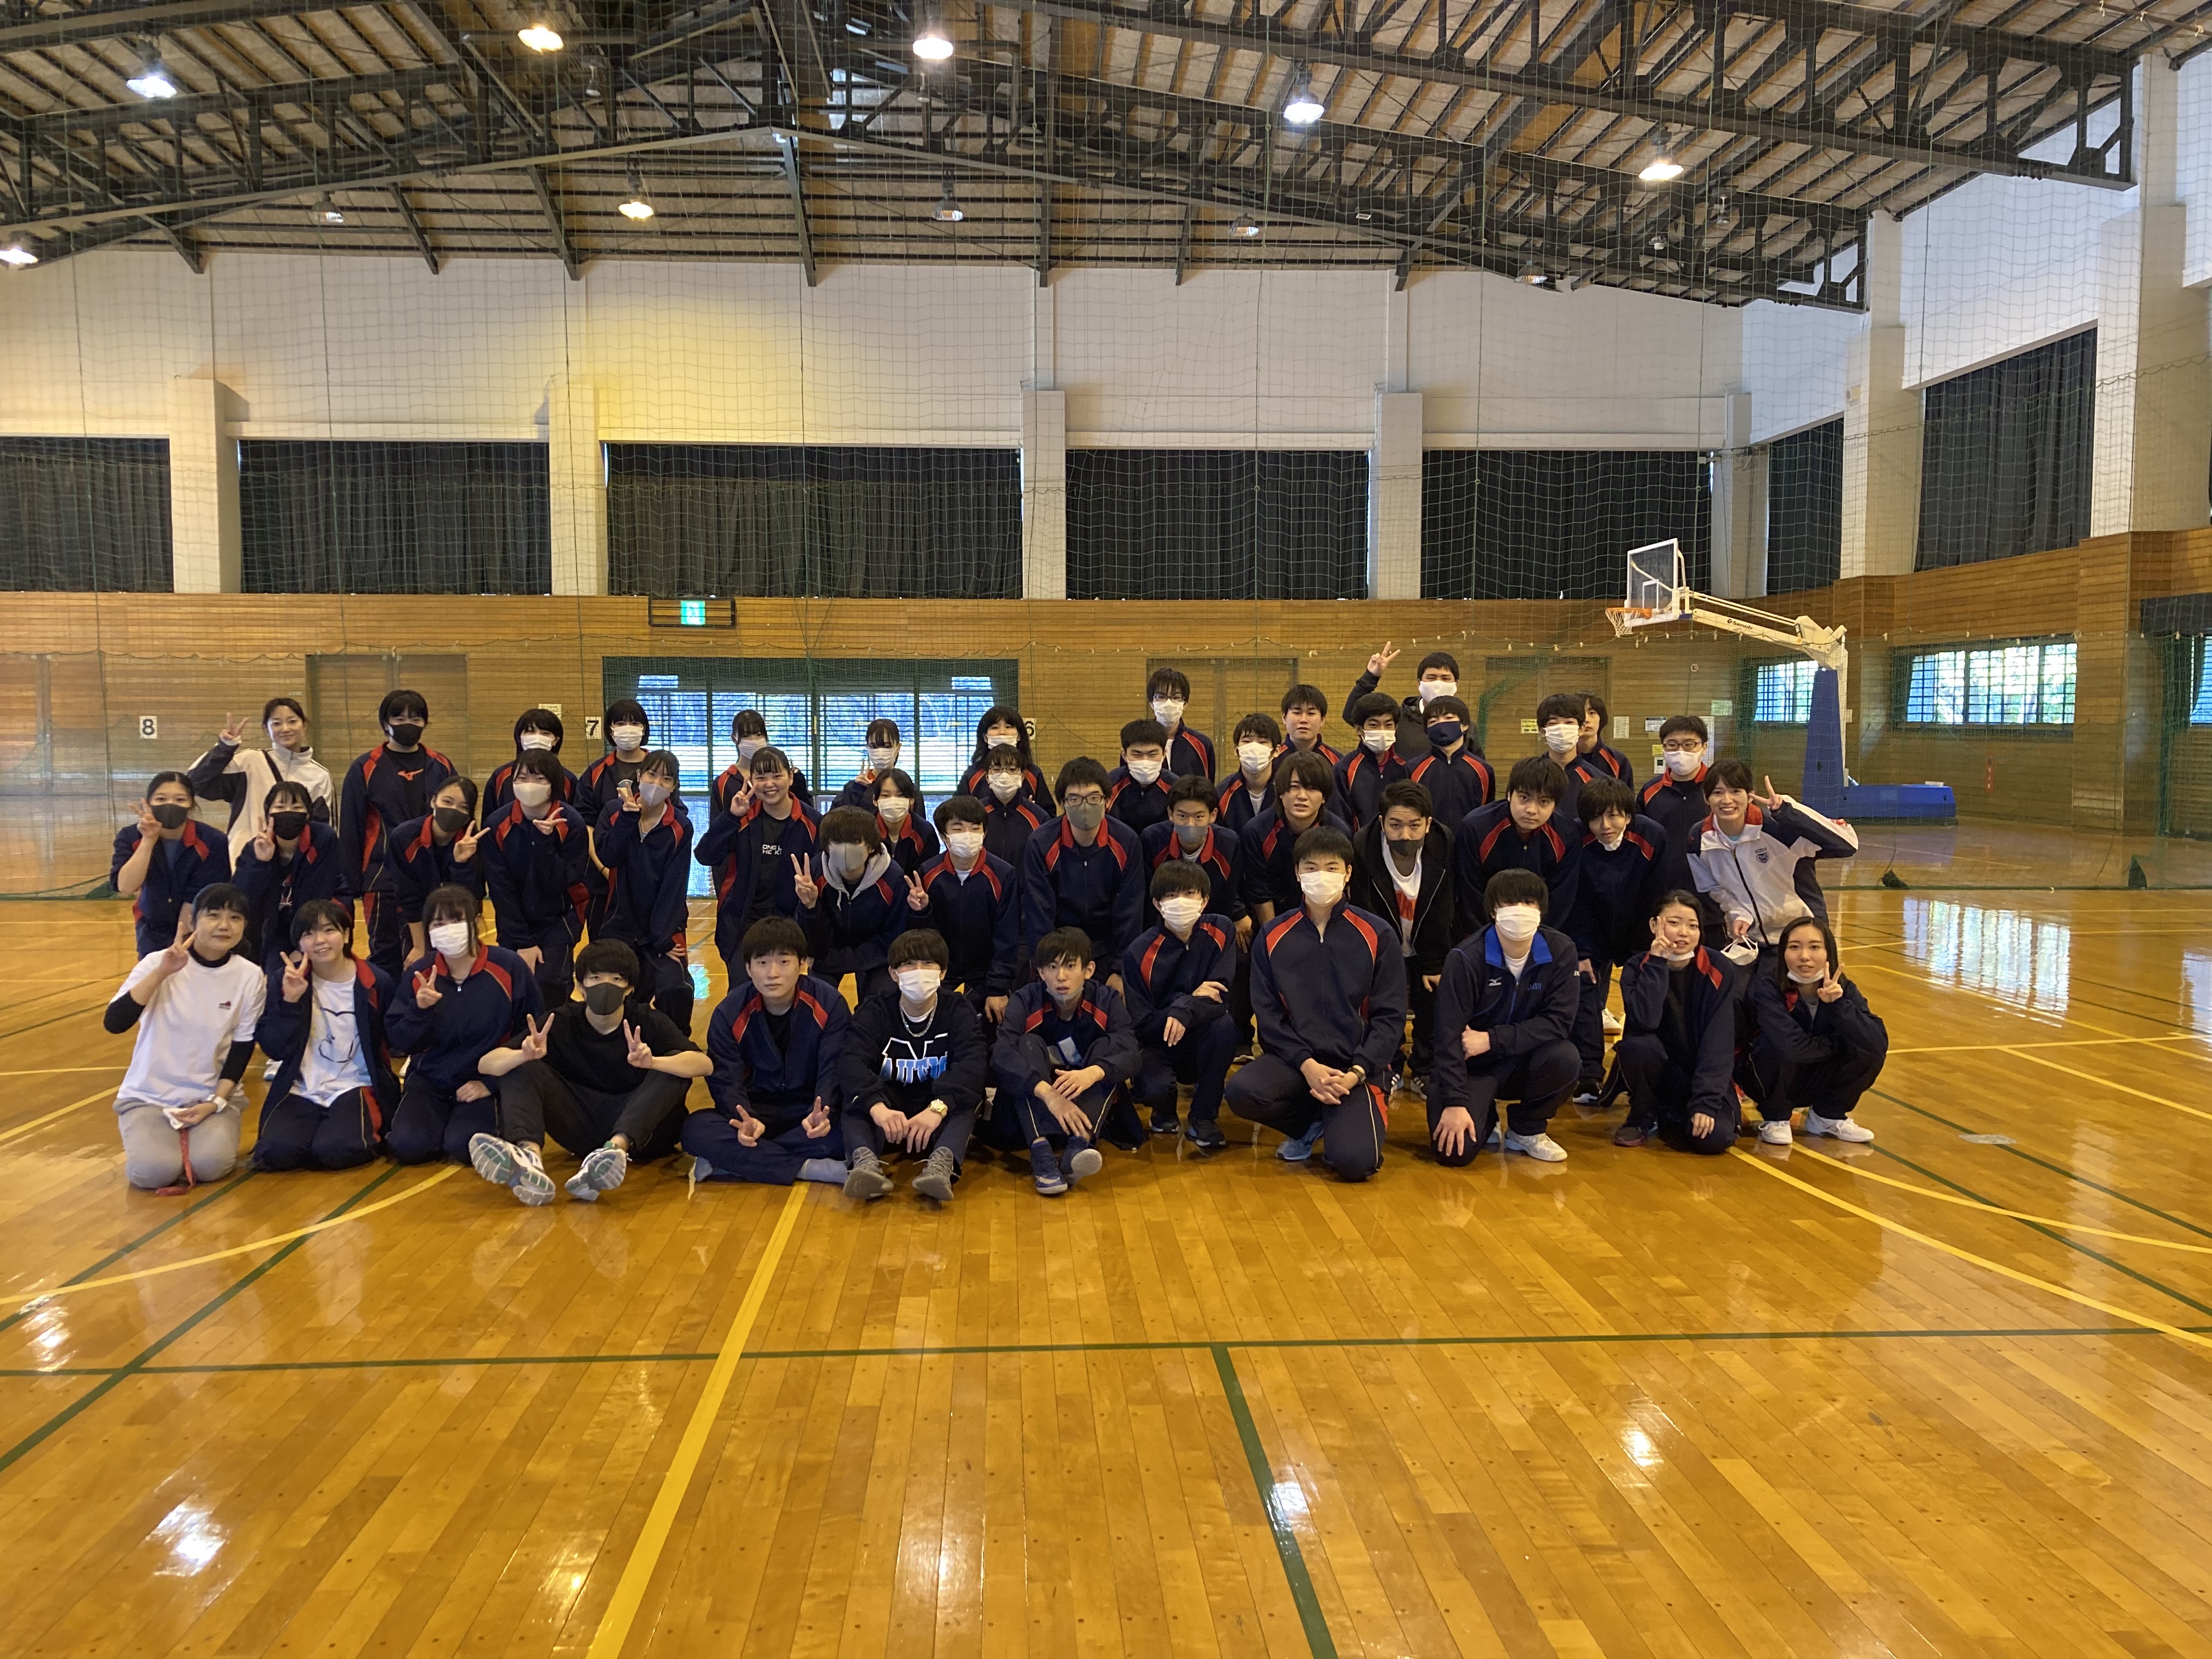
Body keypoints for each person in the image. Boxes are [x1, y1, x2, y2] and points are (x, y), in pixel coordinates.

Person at [467, 939, 711, 1204]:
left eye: (616, 979)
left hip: (643, 1134)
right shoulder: (560, 1021)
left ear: (630, 988)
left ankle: (613, 1151)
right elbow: (486, 1064)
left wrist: (653, 1062)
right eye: (595, 978)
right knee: (517, 1064)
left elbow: (704, 1064)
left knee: (674, 1066)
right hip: (581, 1128)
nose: (605, 986)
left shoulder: (646, 1020)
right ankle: (529, 1158)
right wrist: (522, 1055)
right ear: (581, 987)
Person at [1225, 826, 1406, 1180]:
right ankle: (1309, 1123)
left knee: (1355, 1163)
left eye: (1331, 868)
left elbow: (1390, 1016)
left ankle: (1343, 1119)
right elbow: (1269, 1017)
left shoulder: (1378, 934)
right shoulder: (1273, 935)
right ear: (1297, 873)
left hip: (1355, 1068)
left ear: (1348, 873)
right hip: (1298, 1064)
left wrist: (1358, 1071)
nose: (1321, 876)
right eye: (1311, 868)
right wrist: (1307, 1064)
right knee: (1243, 1092)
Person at [104, 883, 264, 1192]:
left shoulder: (250, 975)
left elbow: (243, 1047)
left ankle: (197, 1138)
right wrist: (162, 973)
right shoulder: (157, 962)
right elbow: (115, 1023)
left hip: (211, 1097)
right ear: (193, 921)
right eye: (213, 915)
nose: (224, 925)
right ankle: (160, 1143)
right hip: (149, 1097)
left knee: (212, 1165)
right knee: (153, 1173)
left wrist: (216, 1101)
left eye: (235, 918)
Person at [680, 917, 848, 1187]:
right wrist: (743, 1118)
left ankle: (735, 1162)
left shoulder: (829, 1003)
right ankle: (805, 1168)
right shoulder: (729, 1012)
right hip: (757, 1112)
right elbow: (725, 1079)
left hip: (807, 1113)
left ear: (802, 965)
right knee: (695, 1129)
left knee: (859, 1127)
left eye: (784, 961)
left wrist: (823, 1112)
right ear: (748, 968)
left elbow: (833, 1068)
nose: (772, 973)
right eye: (762, 963)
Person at [1428, 870, 1580, 1164]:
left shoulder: (1561, 950)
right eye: (1510, 903)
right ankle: (1486, 1116)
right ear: (1493, 911)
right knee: (1455, 1153)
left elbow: (1559, 1022)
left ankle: (1526, 1128)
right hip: (1473, 1066)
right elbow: (1448, 1035)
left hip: (1524, 1059)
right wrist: (1455, 1102)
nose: (1520, 910)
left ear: (1541, 910)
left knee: (1565, 1058)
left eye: (1529, 903)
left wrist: (1492, 1040)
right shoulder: (1465, 957)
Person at [385, 884, 543, 1165]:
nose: (448, 929)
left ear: (476, 922)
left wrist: (491, 1083)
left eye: (457, 920)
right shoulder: (420, 974)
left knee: (464, 1145)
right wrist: (419, 1011)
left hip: (483, 1079)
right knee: (408, 1145)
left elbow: (531, 1031)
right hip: (430, 1080)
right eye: (438, 923)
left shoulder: (508, 966)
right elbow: (400, 1039)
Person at [839, 929, 990, 1203]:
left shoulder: (959, 1009)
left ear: (943, 973)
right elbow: (852, 1061)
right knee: (855, 1100)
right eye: (908, 964)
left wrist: (938, 1108)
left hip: (936, 1105)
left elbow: (973, 1064)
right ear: (893, 973)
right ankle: (864, 1164)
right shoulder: (875, 1009)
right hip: (889, 1107)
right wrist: (876, 1107)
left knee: (967, 1100)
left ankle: (942, 1166)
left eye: (928, 963)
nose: (918, 971)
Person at [991, 927, 1138, 1194]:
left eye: (1070, 966)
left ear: (1089, 970)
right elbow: (1001, 1054)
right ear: (1040, 972)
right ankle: (1042, 1154)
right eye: (1052, 967)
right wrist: (1048, 1094)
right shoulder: (1025, 999)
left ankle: (1077, 1149)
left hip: (1085, 1104)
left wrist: (1093, 1073)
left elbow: (1131, 1053)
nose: (1061, 976)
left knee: (1108, 1050)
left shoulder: (1106, 999)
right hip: (1035, 1109)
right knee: (1025, 1045)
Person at [252, 899, 396, 1172]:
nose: (320, 940)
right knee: (275, 1153)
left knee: (337, 1151)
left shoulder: (376, 981)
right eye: (309, 934)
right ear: (299, 944)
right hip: (302, 1086)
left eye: (329, 930)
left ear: (347, 935)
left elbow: (394, 1039)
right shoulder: (285, 980)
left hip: (356, 1085)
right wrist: (290, 1002)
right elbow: (274, 1048)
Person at [1736, 915, 1886, 1146]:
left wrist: (1839, 1006)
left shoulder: (1843, 987)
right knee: (1773, 1045)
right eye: (1794, 947)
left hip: (1815, 1077)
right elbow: (1792, 1047)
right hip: (1767, 1078)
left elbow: (1877, 1043)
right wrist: (1837, 1045)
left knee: (1864, 1044)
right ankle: (1776, 1116)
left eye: (1814, 947)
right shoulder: (1768, 987)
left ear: (1828, 953)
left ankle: (1828, 1116)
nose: (1804, 956)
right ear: (1783, 953)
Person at [340, 689, 456, 980]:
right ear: (386, 722)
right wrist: (352, 885)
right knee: (386, 956)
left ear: (425, 723)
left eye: (416, 719)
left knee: (435, 955)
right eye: (399, 718)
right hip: (382, 880)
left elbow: (456, 818)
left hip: (430, 876)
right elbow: (351, 828)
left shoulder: (441, 766)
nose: (408, 724)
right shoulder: (364, 768)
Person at [1612, 891, 1742, 1153]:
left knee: (1714, 1139)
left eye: (1693, 926)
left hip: (1699, 1076)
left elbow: (1718, 1040)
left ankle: (1676, 1114)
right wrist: (1657, 962)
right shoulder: (1637, 967)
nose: (1684, 933)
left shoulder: (1719, 967)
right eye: (1674, 923)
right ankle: (1642, 1116)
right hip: (1658, 1070)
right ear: (1654, 925)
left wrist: (1706, 1102)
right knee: (1638, 1046)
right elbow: (1645, 1021)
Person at [1348, 780, 1454, 1095]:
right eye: (1395, 825)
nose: (1405, 835)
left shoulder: (1444, 844)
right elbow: (1363, 908)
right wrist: (1379, 958)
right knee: (1384, 1005)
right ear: (1383, 823)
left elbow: (1446, 905)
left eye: (1414, 826)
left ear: (1428, 824)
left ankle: (1425, 1067)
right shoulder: (1363, 846)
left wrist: (1435, 961)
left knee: (1432, 1003)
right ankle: (1389, 1065)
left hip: (1428, 943)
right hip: (1385, 943)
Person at [1564, 777, 1666, 1103]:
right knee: (1585, 992)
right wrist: (1581, 950)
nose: (1605, 826)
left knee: (1644, 998)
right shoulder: (1574, 838)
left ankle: (1634, 1072)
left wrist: (1648, 946)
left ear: (1629, 815)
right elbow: (1574, 899)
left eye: (1613, 816)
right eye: (1595, 818)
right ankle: (1589, 1075)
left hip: (1639, 929)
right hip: (1591, 929)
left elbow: (1657, 894)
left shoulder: (1652, 837)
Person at [1122, 862, 1239, 1148]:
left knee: (1225, 1028)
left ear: (1204, 900)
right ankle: (1163, 1110)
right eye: (1172, 896)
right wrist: (1183, 1006)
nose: (1181, 902)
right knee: (1154, 1086)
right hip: (1159, 1043)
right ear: (1157, 904)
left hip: (1202, 1037)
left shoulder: (1221, 930)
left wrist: (1184, 1008)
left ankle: (1203, 1117)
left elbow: (1221, 998)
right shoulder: (1138, 952)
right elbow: (1141, 1024)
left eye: (1189, 894)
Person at [1690, 763, 1859, 959]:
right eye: (1718, 793)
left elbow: (1847, 845)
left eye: (1736, 791)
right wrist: (1739, 913)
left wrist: (1789, 812)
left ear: (1751, 795)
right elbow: (1714, 888)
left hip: (1802, 939)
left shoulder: (1780, 829)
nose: (1727, 800)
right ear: (1706, 798)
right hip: (1749, 941)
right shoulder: (1698, 839)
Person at [594, 749, 697, 1030]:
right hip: (619, 924)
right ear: (639, 776)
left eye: (666, 779)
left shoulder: (681, 827)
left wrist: (663, 940)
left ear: (673, 787)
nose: (657, 783)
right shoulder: (614, 812)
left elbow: (674, 887)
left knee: (675, 988)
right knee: (615, 992)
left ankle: (675, 1046)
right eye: (652, 774)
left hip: (663, 930)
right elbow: (609, 857)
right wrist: (627, 820)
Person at [1020, 758, 1144, 988]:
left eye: (1094, 798)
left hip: (1107, 952)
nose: (1085, 806)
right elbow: (1039, 913)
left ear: (1107, 800)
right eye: (1074, 799)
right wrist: (1051, 967)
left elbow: (1130, 912)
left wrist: (1119, 970)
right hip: (1059, 951)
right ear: (1062, 803)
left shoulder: (1127, 841)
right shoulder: (1041, 843)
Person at [480, 751, 592, 1003]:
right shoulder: (496, 824)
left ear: (554, 784)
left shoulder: (572, 823)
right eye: (522, 778)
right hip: (514, 924)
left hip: (559, 922)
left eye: (539, 778)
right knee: (516, 991)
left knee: (552, 986)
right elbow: (500, 888)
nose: (529, 785)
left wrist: (544, 844)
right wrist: (523, 941)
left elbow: (566, 881)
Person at [696, 743, 817, 973]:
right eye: (761, 778)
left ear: (791, 777)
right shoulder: (742, 818)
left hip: (791, 926)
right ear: (751, 781)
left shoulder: (812, 823)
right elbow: (705, 855)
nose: (769, 784)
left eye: (777, 776)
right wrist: (731, 817)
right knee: (742, 991)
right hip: (743, 925)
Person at [910, 796, 1019, 1021]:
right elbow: (921, 935)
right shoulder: (928, 873)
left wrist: (997, 988)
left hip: (985, 974)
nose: (967, 835)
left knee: (991, 1026)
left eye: (975, 828)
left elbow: (1006, 935)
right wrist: (920, 911)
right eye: (958, 829)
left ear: (984, 833)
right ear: (944, 836)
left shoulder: (1003, 874)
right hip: (941, 972)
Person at [186, 698, 334, 861]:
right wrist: (225, 748)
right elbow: (194, 784)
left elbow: (324, 828)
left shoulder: (319, 775)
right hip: (244, 862)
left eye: (292, 721)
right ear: (266, 729)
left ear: (304, 726)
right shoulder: (248, 762)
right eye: (276, 723)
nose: (285, 729)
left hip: (296, 868)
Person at [1453, 757, 1579, 936]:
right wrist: (1493, 938)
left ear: (1555, 805)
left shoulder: (1567, 835)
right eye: (1524, 798)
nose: (1532, 810)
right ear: (1509, 795)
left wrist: (1534, 939)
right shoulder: (1475, 829)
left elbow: (1560, 900)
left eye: (1543, 802)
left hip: (1540, 933)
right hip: (1485, 932)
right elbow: (1470, 896)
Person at [112, 771, 232, 958]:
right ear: (149, 802)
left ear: (191, 804)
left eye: (180, 800)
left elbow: (199, 896)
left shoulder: (213, 841)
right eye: (161, 799)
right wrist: (148, 841)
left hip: (197, 927)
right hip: (151, 927)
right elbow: (126, 887)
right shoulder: (130, 836)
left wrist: (180, 942)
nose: (170, 805)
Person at [797, 806, 910, 1003]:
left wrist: (835, 962)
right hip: (829, 950)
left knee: (882, 996)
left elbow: (891, 941)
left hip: (876, 956)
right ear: (826, 846)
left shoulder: (893, 879)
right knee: (814, 995)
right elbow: (813, 946)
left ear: (871, 846)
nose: (845, 849)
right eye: (837, 841)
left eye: (856, 841)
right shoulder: (812, 873)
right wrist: (810, 907)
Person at [232, 780, 347, 964]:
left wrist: (303, 946)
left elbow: (320, 893)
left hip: (313, 926)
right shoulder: (254, 847)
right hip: (271, 930)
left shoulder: (324, 839)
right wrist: (261, 863)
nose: (288, 812)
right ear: (268, 813)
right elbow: (242, 897)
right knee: (273, 968)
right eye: (280, 807)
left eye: (296, 807)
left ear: (308, 813)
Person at [1238, 751, 1346, 928]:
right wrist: (1274, 936)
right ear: (1280, 792)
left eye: (1312, 788)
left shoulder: (1339, 832)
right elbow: (1261, 893)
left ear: (1325, 797)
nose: (1302, 796)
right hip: (1275, 920)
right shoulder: (1257, 832)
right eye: (1294, 787)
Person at [390, 774, 487, 965]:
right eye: (447, 802)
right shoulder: (404, 838)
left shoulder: (475, 844)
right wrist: (420, 946)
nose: (453, 810)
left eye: (463, 807)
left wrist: (460, 864)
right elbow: (408, 896)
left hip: (460, 924)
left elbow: (473, 897)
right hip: (418, 922)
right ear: (434, 801)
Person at [1140, 775, 1246, 936]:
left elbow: (1227, 900)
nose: (1190, 824)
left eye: (1199, 817)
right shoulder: (1152, 840)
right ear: (1171, 814)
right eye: (1182, 816)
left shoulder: (1229, 844)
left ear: (1213, 815)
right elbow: (1148, 899)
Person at [1342, 643, 1459, 763]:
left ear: (1456, 684)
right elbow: (1351, 714)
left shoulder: (1464, 724)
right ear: (1419, 683)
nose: (1438, 684)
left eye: (1445, 678)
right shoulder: (1398, 718)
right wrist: (1371, 677)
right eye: (1431, 678)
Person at [1639, 715, 1713, 901]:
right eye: (1672, 745)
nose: (1680, 751)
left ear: (1704, 747)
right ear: (1664, 748)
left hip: (1712, 891)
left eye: (1689, 744)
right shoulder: (1650, 791)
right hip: (1663, 891)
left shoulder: (1718, 790)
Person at [1404, 695, 1493, 829]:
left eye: (1449, 718)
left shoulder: (1483, 770)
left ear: (1464, 725)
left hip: (1469, 840)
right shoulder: (1413, 769)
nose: (1441, 724)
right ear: (1427, 730)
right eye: (1433, 721)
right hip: (1428, 839)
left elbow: (1487, 813)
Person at [1335, 693, 1408, 830]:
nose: (1382, 731)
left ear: (1396, 728)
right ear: (1359, 729)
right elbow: (1340, 817)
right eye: (1374, 725)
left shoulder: (1405, 767)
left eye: (1388, 725)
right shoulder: (1344, 769)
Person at [961, 705, 1053, 811]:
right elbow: (956, 813)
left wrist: (1033, 810)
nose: (1002, 732)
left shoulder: (1033, 774)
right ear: (985, 738)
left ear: (1019, 736)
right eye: (995, 727)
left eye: (1009, 727)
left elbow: (1049, 816)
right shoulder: (972, 775)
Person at [484, 708, 575, 815]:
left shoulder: (568, 779)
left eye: (545, 733)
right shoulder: (501, 776)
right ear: (520, 737)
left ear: (555, 740)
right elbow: (489, 819)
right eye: (531, 732)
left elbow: (575, 818)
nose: (537, 737)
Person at [977, 743, 1050, 868]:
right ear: (988, 777)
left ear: (1022, 777)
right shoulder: (975, 814)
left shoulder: (1039, 817)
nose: (1004, 776)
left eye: (1012, 770)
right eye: (997, 770)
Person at [727, 709, 813, 805]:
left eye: (759, 734)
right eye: (746, 736)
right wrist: (733, 813)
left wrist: (798, 781)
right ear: (734, 739)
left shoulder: (786, 776)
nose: (754, 740)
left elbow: (806, 810)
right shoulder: (725, 782)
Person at [1107, 718, 1174, 836]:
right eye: (1137, 755)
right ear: (1125, 755)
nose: (1145, 761)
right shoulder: (1109, 785)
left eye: (1153, 754)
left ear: (1164, 754)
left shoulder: (1176, 787)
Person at [1147, 667, 1216, 781]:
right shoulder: (1137, 743)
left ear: (1185, 704)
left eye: (1176, 697)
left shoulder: (1202, 744)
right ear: (1151, 703)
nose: (1168, 703)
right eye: (1161, 697)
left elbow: (1207, 787)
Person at [868, 767, 940, 874]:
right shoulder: (865, 830)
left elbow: (927, 872)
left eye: (900, 795)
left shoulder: (925, 832)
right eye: (885, 795)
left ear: (911, 800)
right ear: (875, 800)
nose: (893, 800)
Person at [1218, 712, 1282, 832]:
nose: (1254, 748)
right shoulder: (1221, 794)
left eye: (1262, 742)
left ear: (1276, 751)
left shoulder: (1286, 791)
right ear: (1237, 750)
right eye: (1247, 741)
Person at [1533, 693, 1589, 823]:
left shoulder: (1596, 779)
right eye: (1553, 723)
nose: (1562, 729)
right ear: (1542, 731)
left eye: (1569, 723)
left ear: (1581, 729)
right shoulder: (1528, 776)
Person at [836, 718, 909, 812]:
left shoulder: (908, 789)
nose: (881, 752)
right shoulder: (853, 790)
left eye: (887, 746)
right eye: (874, 746)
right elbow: (834, 819)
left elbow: (918, 820)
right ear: (867, 747)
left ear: (898, 747)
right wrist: (858, 790)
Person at [1571, 692, 1632, 783]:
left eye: (1592, 713)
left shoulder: (1619, 761)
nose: (1586, 720)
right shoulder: (1558, 759)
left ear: (1601, 718)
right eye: (1580, 713)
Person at [1278, 684, 1342, 765]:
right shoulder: (1272, 760)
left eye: (1311, 713)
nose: (1303, 720)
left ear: (1322, 720)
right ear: (1284, 717)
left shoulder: (1338, 762)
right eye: (1297, 713)